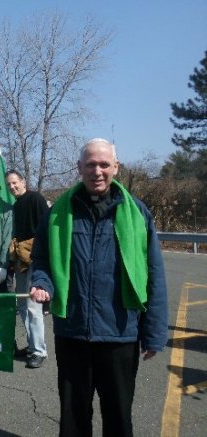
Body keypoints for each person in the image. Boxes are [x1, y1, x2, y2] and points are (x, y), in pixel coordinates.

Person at [29, 138, 168, 437]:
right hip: (72, 332)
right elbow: (41, 259)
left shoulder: (138, 214)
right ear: (79, 168)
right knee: (74, 416)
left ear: (116, 167)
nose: (97, 170)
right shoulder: (56, 215)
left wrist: (154, 333)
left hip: (119, 334)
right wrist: (42, 283)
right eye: (90, 164)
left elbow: (154, 274)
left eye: (104, 164)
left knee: (118, 417)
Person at [6, 170, 49, 369]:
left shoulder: (35, 198)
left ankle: (39, 351)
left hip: (35, 259)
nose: (12, 187)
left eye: (15, 182)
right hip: (21, 260)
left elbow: (47, 228)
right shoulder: (16, 205)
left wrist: (42, 256)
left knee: (33, 306)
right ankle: (32, 346)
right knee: (22, 305)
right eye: (9, 184)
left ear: (23, 181)